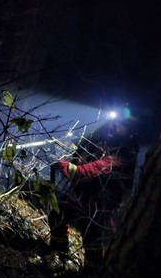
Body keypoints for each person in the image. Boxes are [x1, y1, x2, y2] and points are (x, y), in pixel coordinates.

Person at [49, 113, 140, 265]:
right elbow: (79, 149)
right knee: (57, 213)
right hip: (81, 195)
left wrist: (62, 164)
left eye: (122, 125)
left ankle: (90, 275)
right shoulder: (108, 140)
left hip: (98, 205)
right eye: (118, 123)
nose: (118, 126)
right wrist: (64, 149)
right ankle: (58, 252)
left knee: (92, 240)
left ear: (131, 130)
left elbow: (87, 171)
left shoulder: (125, 154)